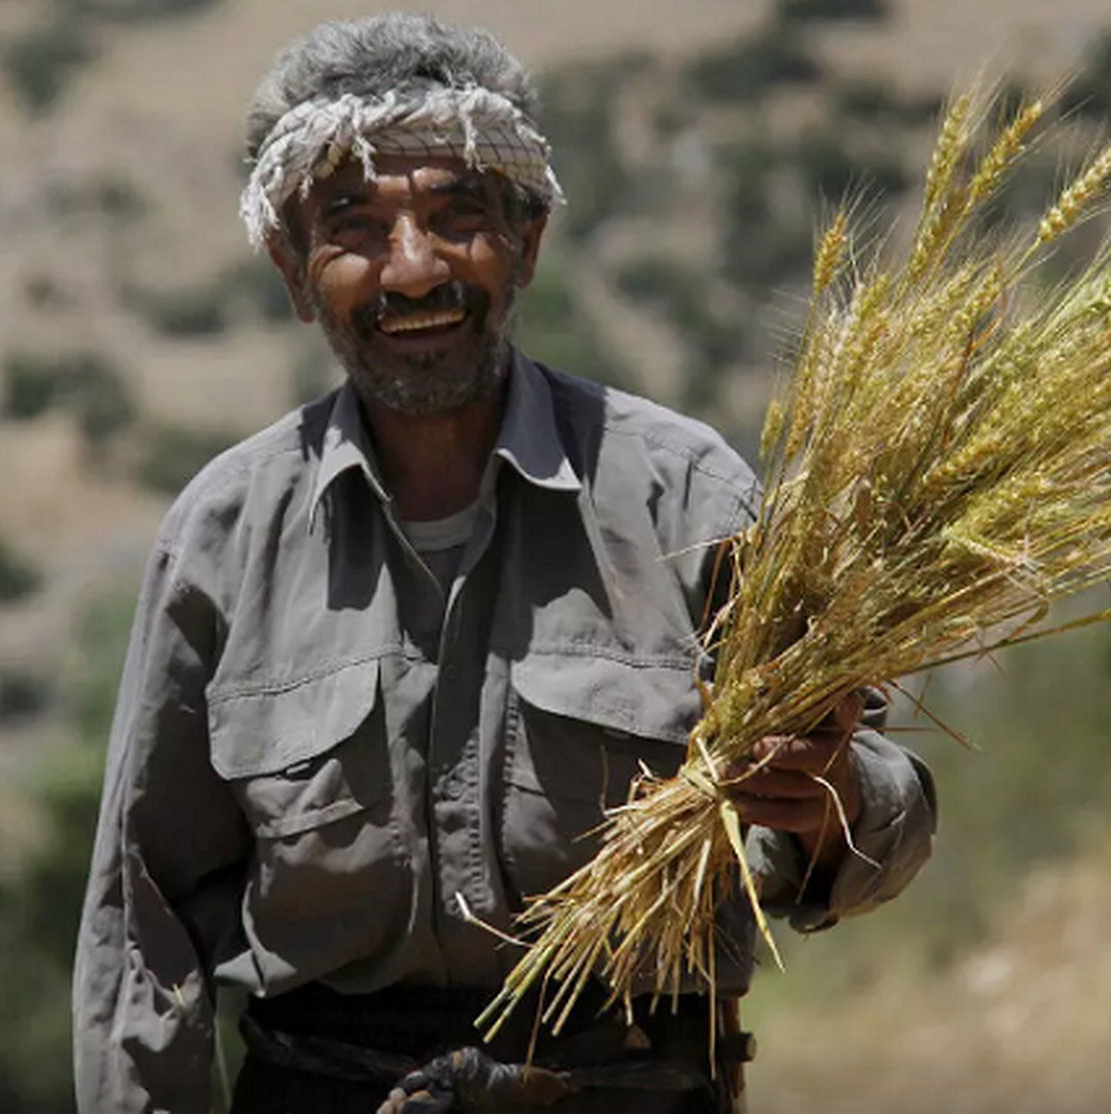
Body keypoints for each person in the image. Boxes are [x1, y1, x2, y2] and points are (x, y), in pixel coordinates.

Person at [73, 13, 936, 1114]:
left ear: (525, 244)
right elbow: (141, 923)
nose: (415, 267)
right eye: (355, 228)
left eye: (456, 216)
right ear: (295, 272)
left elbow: (887, 814)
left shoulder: (688, 496)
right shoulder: (223, 537)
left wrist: (821, 802)